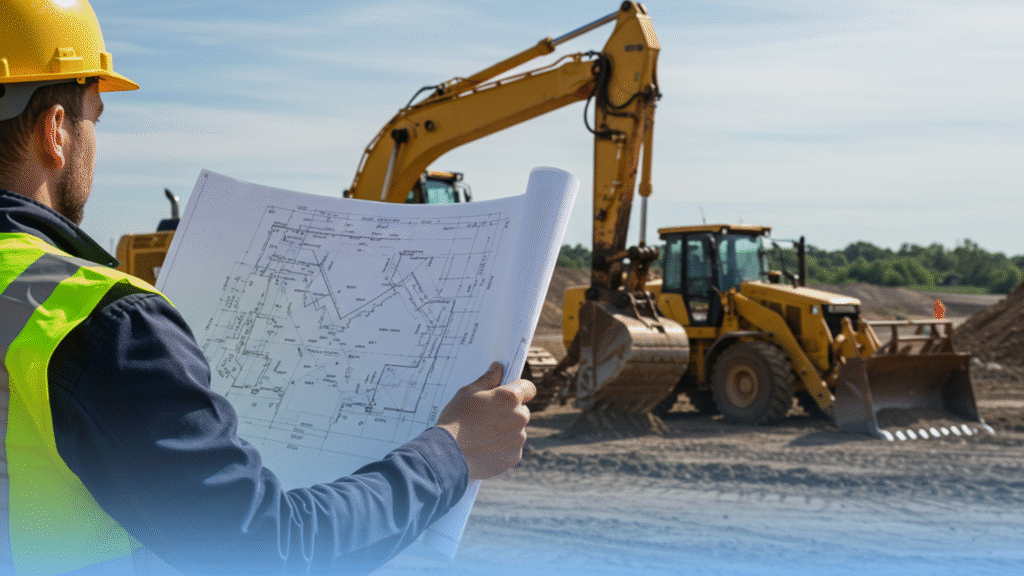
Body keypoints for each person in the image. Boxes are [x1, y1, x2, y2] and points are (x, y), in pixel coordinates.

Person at [0, 1, 535, 574]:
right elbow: (270, 551)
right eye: (95, 117)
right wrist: (452, 453)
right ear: (56, 130)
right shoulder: (96, 321)